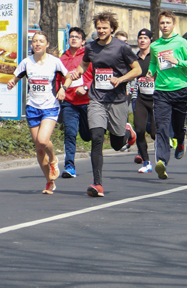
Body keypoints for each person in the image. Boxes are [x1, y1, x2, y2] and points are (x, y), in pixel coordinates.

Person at [65, 11, 141, 197]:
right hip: (97, 98)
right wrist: (78, 72)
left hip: (117, 100)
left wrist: (121, 79)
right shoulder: (91, 47)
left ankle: (128, 133)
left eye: (105, 28)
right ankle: (97, 184)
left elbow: (137, 69)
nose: (101, 30)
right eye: (98, 28)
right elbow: (84, 64)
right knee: (97, 137)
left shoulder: (122, 47)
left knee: (116, 144)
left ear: (112, 29)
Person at [8, 31, 68, 194]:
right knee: (39, 148)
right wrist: (12, 82)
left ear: (47, 44)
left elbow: (68, 76)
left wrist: (63, 88)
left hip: (50, 106)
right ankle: (49, 182)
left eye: (41, 41)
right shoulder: (26, 62)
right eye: (35, 41)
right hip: (32, 107)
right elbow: (16, 77)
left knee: (42, 140)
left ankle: (53, 158)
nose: (37, 44)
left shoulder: (54, 62)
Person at [146, 10, 187, 179]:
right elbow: (153, 63)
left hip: (180, 89)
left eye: (168, 22)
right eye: (162, 23)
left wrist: (177, 61)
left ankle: (180, 141)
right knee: (161, 127)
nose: (165, 26)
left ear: (173, 24)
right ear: (158, 25)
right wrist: (150, 72)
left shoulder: (181, 42)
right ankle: (162, 161)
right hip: (161, 91)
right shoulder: (155, 45)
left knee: (177, 126)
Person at [58, 27, 92, 179]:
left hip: (87, 101)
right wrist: (59, 92)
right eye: (71, 36)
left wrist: (86, 87)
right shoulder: (62, 59)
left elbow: (95, 77)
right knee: (70, 133)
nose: (73, 39)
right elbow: (58, 80)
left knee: (87, 135)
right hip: (69, 102)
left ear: (82, 41)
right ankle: (69, 166)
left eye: (77, 37)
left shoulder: (87, 57)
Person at [133, 29, 157, 173]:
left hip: (156, 99)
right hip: (141, 98)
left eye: (145, 38)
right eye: (140, 38)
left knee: (154, 133)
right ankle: (146, 162)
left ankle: (161, 159)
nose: (142, 40)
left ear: (150, 41)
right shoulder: (134, 58)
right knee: (139, 129)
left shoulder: (154, 57)